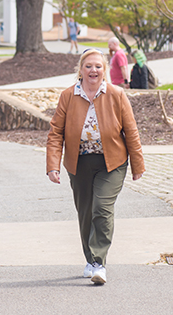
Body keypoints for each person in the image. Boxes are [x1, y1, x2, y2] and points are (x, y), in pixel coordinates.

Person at [46, 48, 145, 285]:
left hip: (112, 162)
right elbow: (55, 132)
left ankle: (99, 263)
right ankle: (90, 260)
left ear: (104, 70)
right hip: (79, 163)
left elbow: (130, 131)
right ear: (80, 70)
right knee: (85, 213)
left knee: (102, 207)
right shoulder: (68, 96)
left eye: (98, 66)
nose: (94, 70)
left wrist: (138, 164)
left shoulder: (116, 94)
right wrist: (53, 165)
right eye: (89, 66)